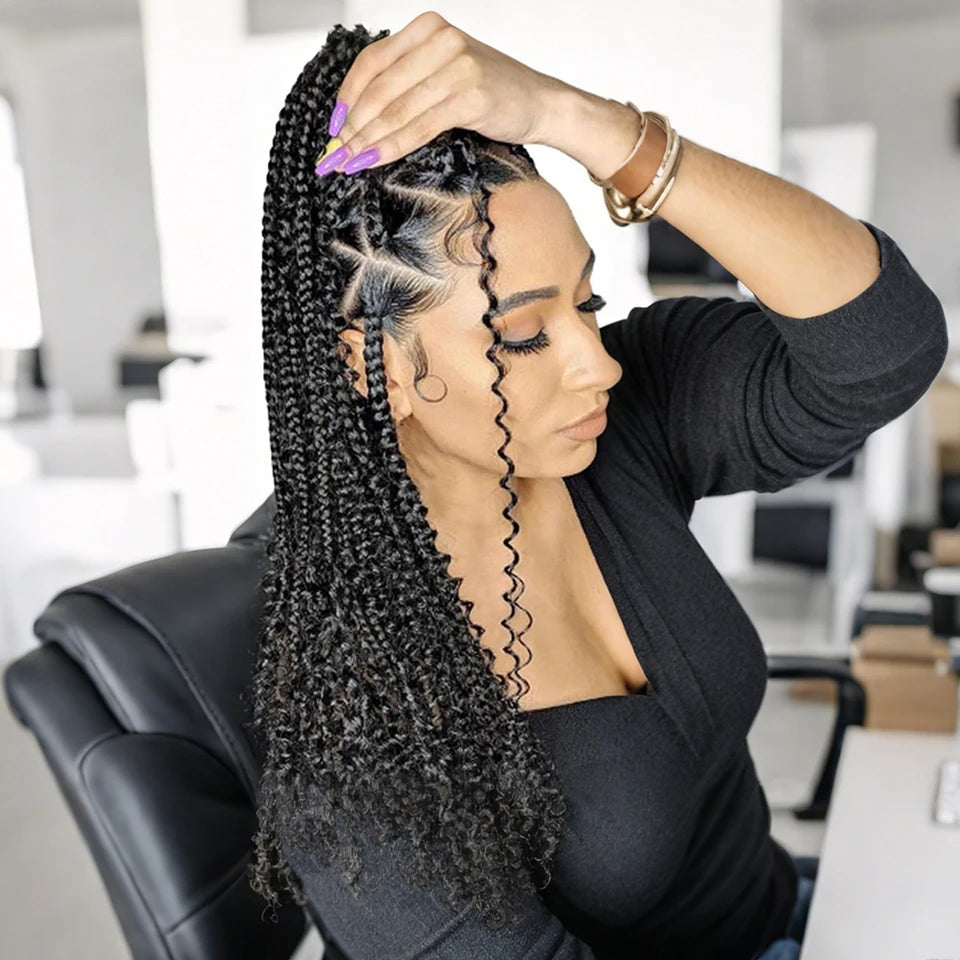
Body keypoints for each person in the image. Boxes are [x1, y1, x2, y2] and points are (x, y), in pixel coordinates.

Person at [245, 12, 949, 960]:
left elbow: (885, 348)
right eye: (525, 333)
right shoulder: (357, 698)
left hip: (806, 909)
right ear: (378, 370)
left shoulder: (614, 424)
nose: (596, 364)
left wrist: (575, 118)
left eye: (589, 301)